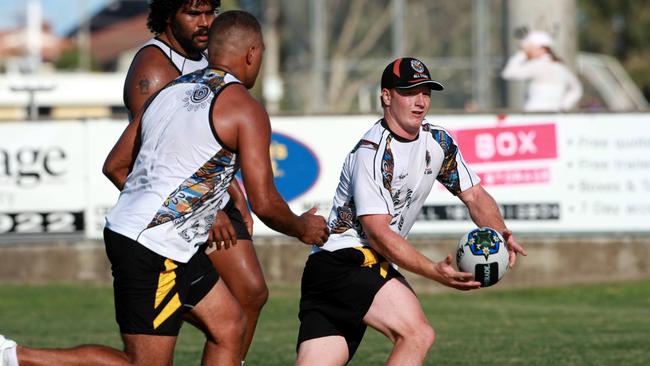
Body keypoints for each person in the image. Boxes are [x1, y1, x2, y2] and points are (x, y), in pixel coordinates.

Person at [0, 10, 329, 366]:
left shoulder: (169, 90)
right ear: (252, 53)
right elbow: (265, 203)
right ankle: (13, 356)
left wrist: (190, 206)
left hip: (162, 240)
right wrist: (302, 227)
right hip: (153, 247)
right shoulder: (246, 109)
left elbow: (115, 164)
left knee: (231, 325)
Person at [295, 57, 528, 366]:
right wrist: (433, 271)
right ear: (386, 96)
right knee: (417, 334)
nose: (420, 101)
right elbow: (377, 233)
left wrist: (499, 231)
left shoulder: (438, 142)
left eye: (426, 92)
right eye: (409, 91)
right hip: (346, 262)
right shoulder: (372, 153)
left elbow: (475, 195)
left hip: (332, 270)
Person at [123, 1, 269, 361]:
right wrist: (204, 210)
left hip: (205, 200)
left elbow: (203, 144)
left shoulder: (209, 59)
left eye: (211, 13)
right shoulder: (154, 69)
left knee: (250, 294)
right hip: (177, 211)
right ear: (169, 15)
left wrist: (232, 191)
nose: (205, 23)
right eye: (193, 14)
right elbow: (140, 161)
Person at [502, 30, 583, 112]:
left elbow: (508, 73)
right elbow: (577, 90)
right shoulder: (561, 67)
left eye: (530, 48)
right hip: (555, 116)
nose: (528, 52)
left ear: (541, 49)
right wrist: (563, 106)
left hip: (534, 115)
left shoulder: (537, 65)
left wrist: (522, 54)